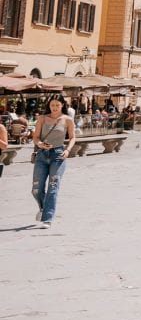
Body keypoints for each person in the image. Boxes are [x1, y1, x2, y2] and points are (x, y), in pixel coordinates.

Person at [31, 94, 76, 227]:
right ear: (48, 106)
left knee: (53, 186)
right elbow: (36, 137)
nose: (55, 108)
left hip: (58, 155)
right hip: (42, 155)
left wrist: (67, 150)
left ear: (62, 105)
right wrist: (40, 144)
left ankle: (47, 219)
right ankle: (43, 207)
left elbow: (73, 137)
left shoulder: (67, 120)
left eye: (57, 105)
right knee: (36, 188)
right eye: (52, 105)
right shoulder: (42, 118)